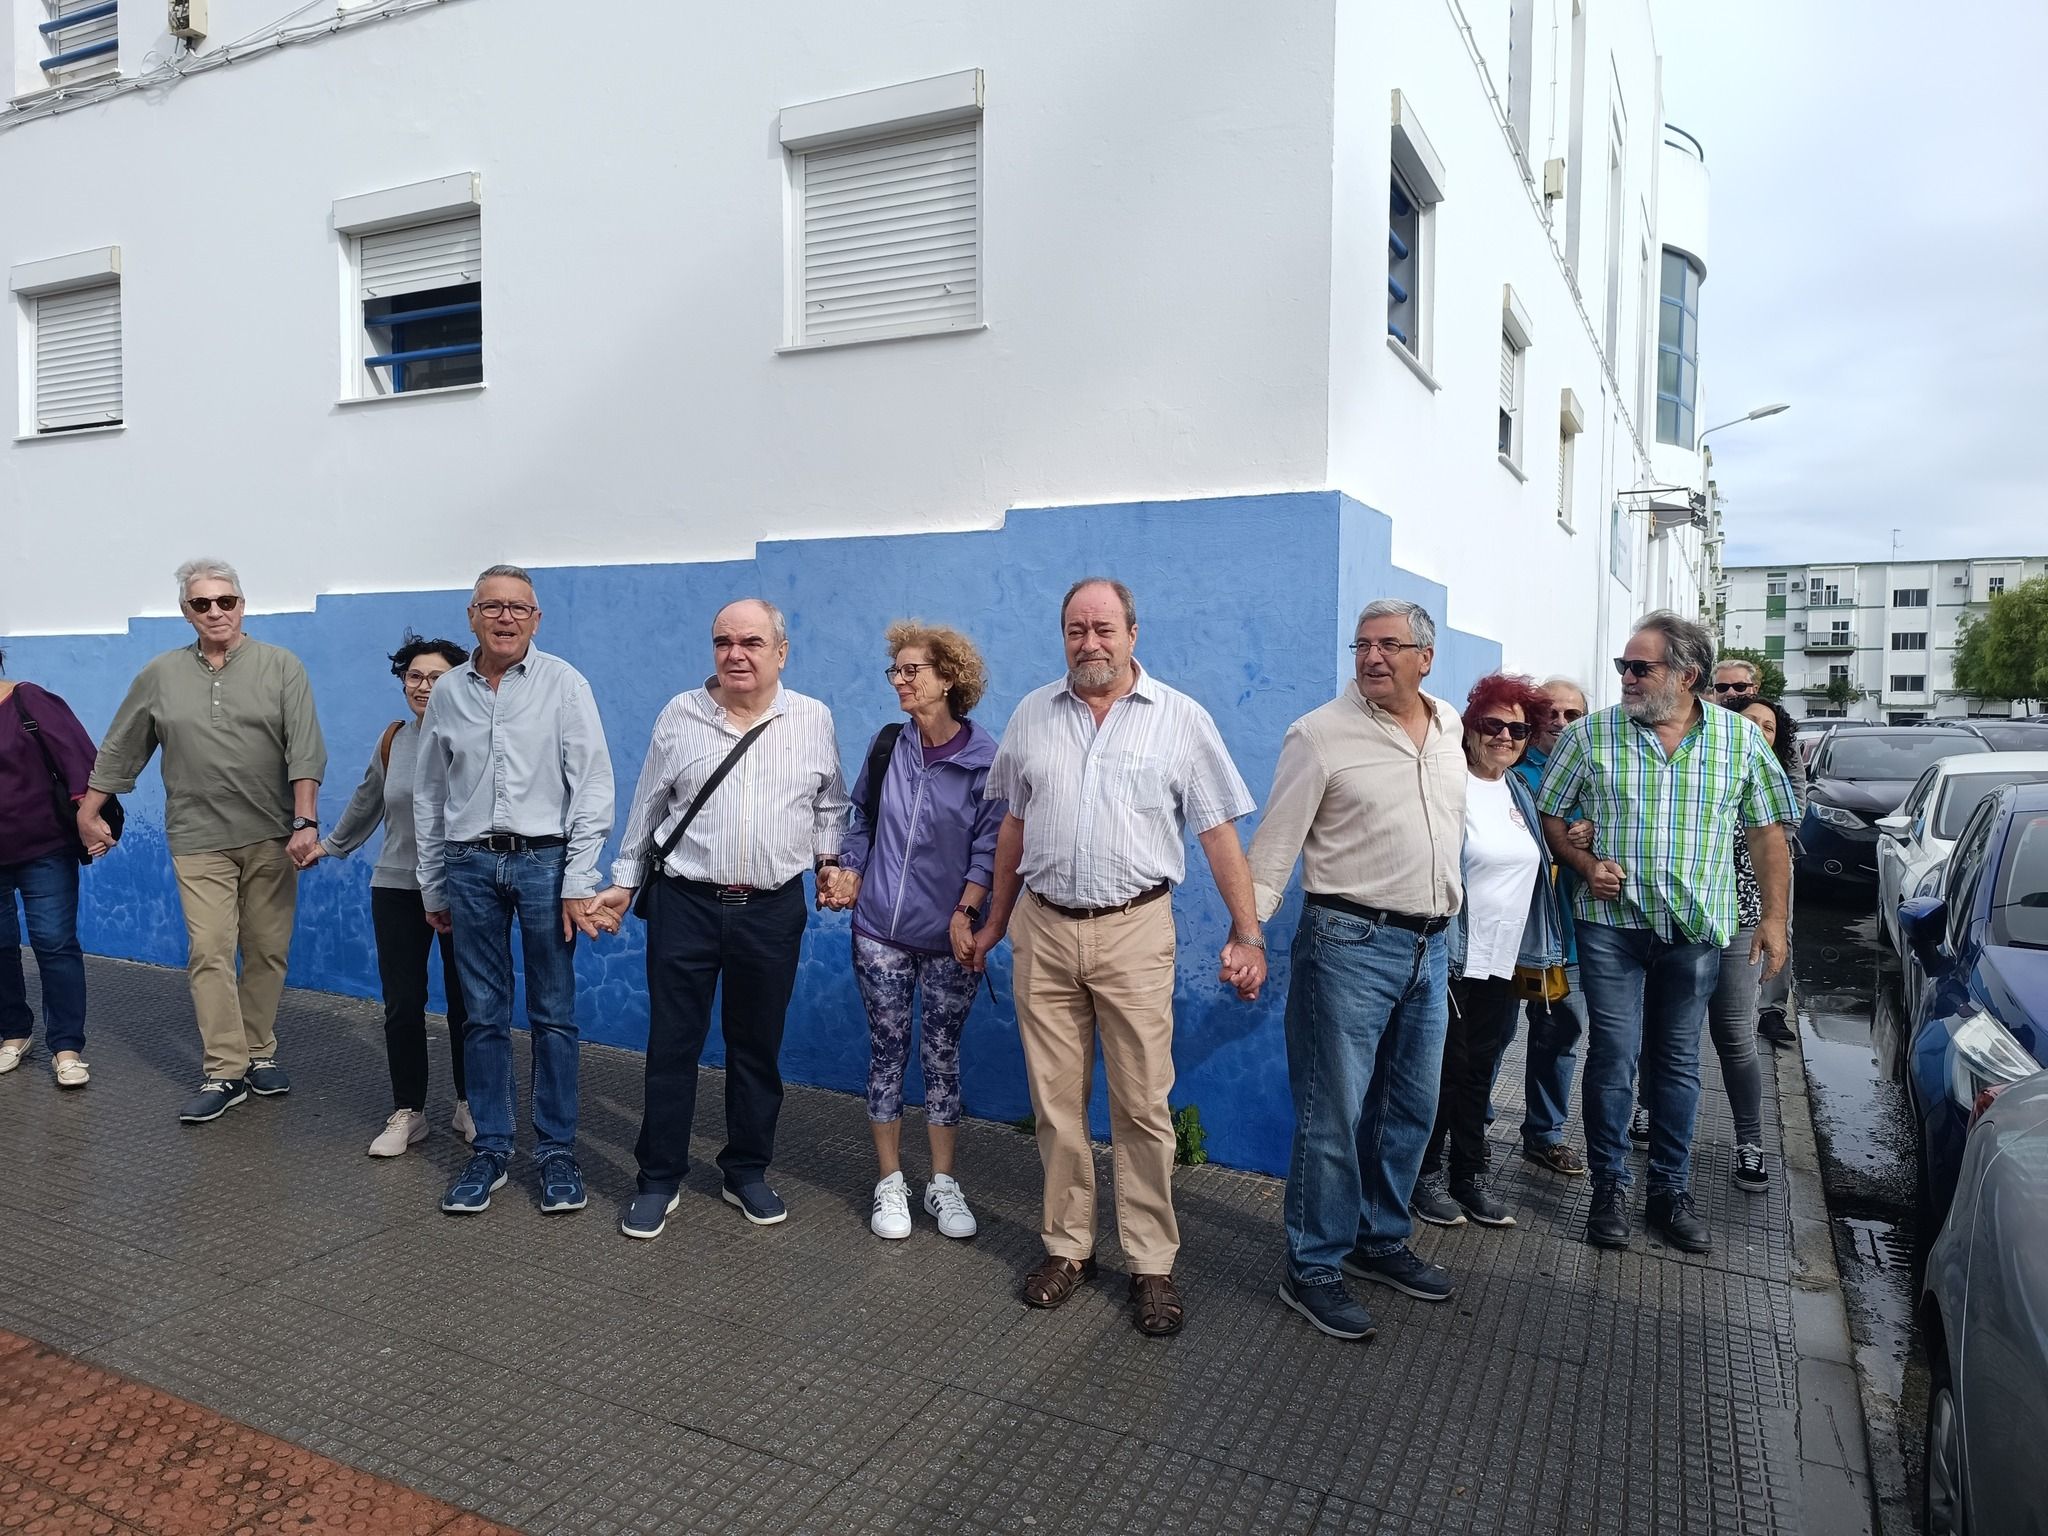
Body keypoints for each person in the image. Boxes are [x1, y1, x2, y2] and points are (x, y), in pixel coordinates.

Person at [970, 578, 1263, 1338]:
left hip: (1135, 930)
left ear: (1133, 633)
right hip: (1043, 929)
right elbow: (1013, 827)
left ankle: (1150, 1263)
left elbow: (1217, 832)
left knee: (1141, 1105)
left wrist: (1248, 932)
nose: (1089, 642)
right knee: (1055, 1105)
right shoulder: (1033, 714)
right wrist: (995, 920)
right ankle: (1069, 1248)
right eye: (1076, 629)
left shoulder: (1180, 720)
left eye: (1103, 628)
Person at [1536, 611, 1797, 1254]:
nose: (1626, 677)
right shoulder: (1590, 736)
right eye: (1623, 666)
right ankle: (1608, 1190)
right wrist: (1585, 864)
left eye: (1640, 667)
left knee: (1679, 1062)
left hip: (1697, 931)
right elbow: (1552, 816)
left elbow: (1768, 835)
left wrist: (1774, 920)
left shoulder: (1740, 741)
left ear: (1687, 675)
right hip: (1612, 928)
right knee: (1614, 1056)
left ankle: (1669, 1193)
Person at [595, 598, 849, 1239]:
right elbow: (648, 806)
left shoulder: (812, 717)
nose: (735, 654)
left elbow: (830, 803)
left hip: (771, 910)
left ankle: (746, 1170)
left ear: (781, 652)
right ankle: (658, 1178)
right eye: (723, 642)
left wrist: (827, 861)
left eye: (751, 643)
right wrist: (624, 881)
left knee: (756, 1048)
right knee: (672, 1046)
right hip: (686, 906)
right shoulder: (680, 714)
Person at [1250, 598, 1466, 1342]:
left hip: (1431, 946)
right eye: (1363, 645)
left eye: (1389, 645)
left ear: (1425, 659)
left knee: (1410, 1108)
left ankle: (1379, 1239)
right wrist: (1248, 934)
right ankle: (1312, 1267)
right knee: (1332, 1115)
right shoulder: (1319, 735)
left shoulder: (1449, 726)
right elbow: (1276, 844)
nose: (1373, 657)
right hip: (1348, 943)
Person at [80, 559, 327, 1123]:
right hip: (197, 837)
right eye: (202, 603)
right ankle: (224, 1069)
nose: (215, 611)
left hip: (271, 834)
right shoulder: (160, 674)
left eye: (225, 601)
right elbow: (123, 746)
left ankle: (258, 1050)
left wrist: (304, 822)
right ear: (186, 612)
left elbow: (305, 748)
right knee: (210, 950)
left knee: (266, 949)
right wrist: (89, 812)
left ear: (242, 605)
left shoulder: (281, 666)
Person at [415, 565, 614, 1216]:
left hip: (545, 865)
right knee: (482, 1015)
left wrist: (579, 878)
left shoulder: (564, 683)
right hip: (469, 866)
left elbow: (592, 783)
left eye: (519, 608)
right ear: (471, 616)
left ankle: (556, 1154)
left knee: (553, 1014)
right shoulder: (448, 691)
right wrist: (432, 883)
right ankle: (491, 1149)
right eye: (493, 607)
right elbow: (431, 792)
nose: (506, 618)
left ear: (536, 618)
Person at [837, 622, 1006, 1242]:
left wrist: (966, 913)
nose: (900, 681)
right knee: (887, 1053)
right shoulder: (888, 746)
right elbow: (860, 820)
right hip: (879, 931)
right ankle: (889, 1182)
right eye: (897, 670)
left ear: (949, 679)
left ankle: (942, 1183)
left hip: (948, 941)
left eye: (913, 671)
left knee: (941, 1056)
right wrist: (850, 870)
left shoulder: (986, 761)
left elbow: (989, 851)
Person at [300, 633, 475, 1156]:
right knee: (402, 1003)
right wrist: (329, 846)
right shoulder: (394, 739)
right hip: (397, 887)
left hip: (465, 887)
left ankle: (470, 1102)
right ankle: (409, 1111)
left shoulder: (476, 735)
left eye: (436, 677)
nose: (423, 686)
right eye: (414, 676)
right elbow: (367, 800)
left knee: (469, 1004)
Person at [1412, 672, 1564, 1230]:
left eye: (1517, 730)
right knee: (1446, 1070)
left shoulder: (1519, 790)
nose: (1504, 737)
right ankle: (1424, 1175)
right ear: (1470, 728)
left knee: (1480, 1071)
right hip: (1452, 955)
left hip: (1504, 959)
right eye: (1492, 725)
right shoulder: (1449, 784)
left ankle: (1468, 1176)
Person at [1705, 695, 1801, 1193]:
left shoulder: (1772, 786)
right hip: (1689, 918)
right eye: (1750, 723)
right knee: (1667, 1029)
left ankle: (1750, 1141)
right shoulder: (1707, 770)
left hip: (1742, 921)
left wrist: (1773, 921)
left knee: (1734, 1033)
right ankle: (1649, 1109)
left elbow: (1778, 851)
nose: (1759, 732)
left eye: (1769, 727)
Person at [0, 650, 98, 1089]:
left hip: (44, 849)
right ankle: (14, 1033)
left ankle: (66, 1047)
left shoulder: (28, 700)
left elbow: (78, 757)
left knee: (54, 943)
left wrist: (89, 816)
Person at [1509, 677, 1590, 1176]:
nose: (1560, 723)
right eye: (1551, 713)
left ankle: (1545, 1135)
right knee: (1489, 1037)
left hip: (1569, 933)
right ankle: (1470, 1129)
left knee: (1561, 1035)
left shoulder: (1596, 773)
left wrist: (1595, 830)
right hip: (1509, 933)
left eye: (1572, 714)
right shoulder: (1510, 769)